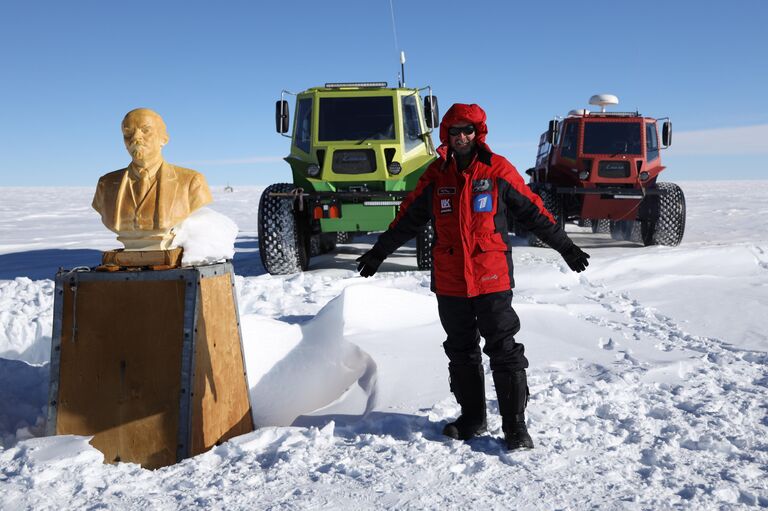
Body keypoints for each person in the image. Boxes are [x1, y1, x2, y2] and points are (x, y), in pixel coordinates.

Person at [356, 103, 590, 450]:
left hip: (491, 276)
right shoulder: (436, 175)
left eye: (468, 130)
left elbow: (533, 211)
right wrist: (378, 253)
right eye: (455, 131)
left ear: (478, 133)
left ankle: (515, 427)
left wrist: (566, 247)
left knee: (504, 349)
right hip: (451, 280)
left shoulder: (497, 170)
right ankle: (472, 418)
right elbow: (408, 219)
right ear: (446, 135)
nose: (462, 137)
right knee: (461, 350)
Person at [92, 108, 212, 250]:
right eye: (127, 132)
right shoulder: (106, 184)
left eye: (145, 130)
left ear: (164, 139)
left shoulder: (191, 182)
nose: (135, 137)